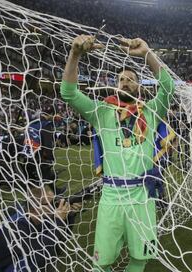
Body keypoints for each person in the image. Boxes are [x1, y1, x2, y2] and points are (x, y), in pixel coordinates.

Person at [60, 35, 175, 272]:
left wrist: (147, 54)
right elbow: (68, 93)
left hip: (142, 197)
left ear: (139, 87)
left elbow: (168, 87)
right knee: (101, 263)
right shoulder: (101, 111)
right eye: (121, 79)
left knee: (140, 259)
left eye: (130, 80)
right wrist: (75, 55)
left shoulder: (152, 110)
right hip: (111, 196)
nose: (125, 82)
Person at [0, 186, 81, 271]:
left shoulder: (40, 217)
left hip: (15, 258)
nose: (56, 205)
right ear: (34, 209)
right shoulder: (17, 226)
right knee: (31, 262)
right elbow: (39, 256)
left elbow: (60, 242)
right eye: (50, 203)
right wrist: (59, 221)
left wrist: (70, 216)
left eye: (55, 200)